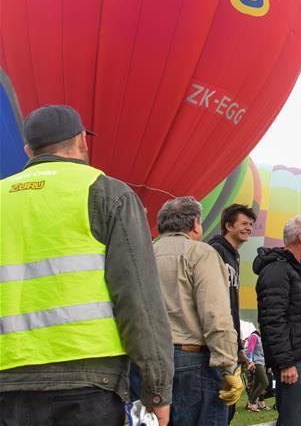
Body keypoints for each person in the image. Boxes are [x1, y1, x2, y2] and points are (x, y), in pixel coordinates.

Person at [0, 105, 174, 425]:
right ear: (82, 140)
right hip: (88, 381)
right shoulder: (108, 193)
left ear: (28, 150)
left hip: (8, 383)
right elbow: (139, 299)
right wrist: (157, 391)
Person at [151, 197, 243, 424]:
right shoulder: (201, 253)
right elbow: (216, 315)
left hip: (146, 362)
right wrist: (228, 365)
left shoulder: (142, 253)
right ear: (195, 224)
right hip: (191, 361)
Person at [255, 216, 301, 426]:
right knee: (292, 421)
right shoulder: (276, 271)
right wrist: (285, 362)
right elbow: (272, 321)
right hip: (293, 362)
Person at [208, 203, 256, 420]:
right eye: (244, 223)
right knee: (218, 406)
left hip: (230, 342)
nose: (249, 228)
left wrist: (238, 347)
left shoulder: (234, 257)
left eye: (252, 224)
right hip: (216, 341)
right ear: (228, 225)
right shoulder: (215, 251)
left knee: (229, 407)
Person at [245, 331, 269, 412]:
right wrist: (251, 361)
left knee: (256, 384)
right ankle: (252, 403)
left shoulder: (261, 338)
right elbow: (250, 350)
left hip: (262, 363)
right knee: (265, 382)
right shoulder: (254, 336)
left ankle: (250, 404)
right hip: (256, 363)